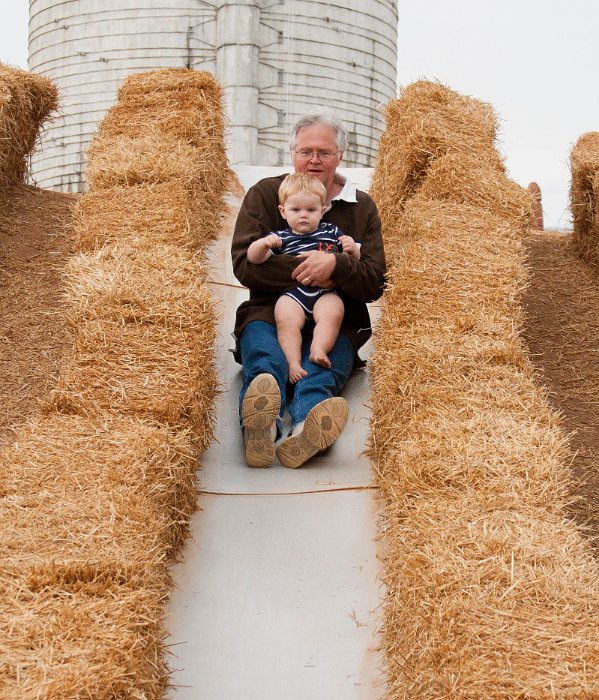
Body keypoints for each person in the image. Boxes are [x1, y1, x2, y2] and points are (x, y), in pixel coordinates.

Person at [231, 112, 386, 469]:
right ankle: (261, 427)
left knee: (321, 370)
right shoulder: (267, 195)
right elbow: (245, 265)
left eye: (324, 152)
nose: (314, 160)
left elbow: (375, 280)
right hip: (270, 311)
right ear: (293, 154)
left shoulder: (361, 206)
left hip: (338, 319)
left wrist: (337, 267)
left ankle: (307, 427)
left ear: (340, 157)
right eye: (306, 152)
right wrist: (317, 268)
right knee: (265, 359)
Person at [247, 172, 361, 383]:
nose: (303, 215)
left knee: (334, 312)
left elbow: (354, 261)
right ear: (283, 211)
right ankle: (293, 363)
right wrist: (262, 244)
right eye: (296, 210)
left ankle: (319, 348)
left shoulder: (332, 231)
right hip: (294, 294)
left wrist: (351, 249)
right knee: (286, 320)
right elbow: (253, 259)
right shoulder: (281, 237)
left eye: (311, 210)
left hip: (325, 292)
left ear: (323, 210)